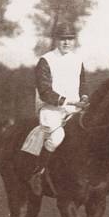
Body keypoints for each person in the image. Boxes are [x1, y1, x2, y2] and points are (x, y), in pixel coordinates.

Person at [27, 23, 89, 194]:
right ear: (56, 40)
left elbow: (82, 84)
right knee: (57, 136)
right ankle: (38, 174)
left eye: (70, 39)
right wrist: (68, 102)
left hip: (74, 109)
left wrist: (84, 97)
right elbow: (45, 91)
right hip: (51, 109)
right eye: (63, 39)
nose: (67, 43)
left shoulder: (78, 60)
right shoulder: (46, 60)